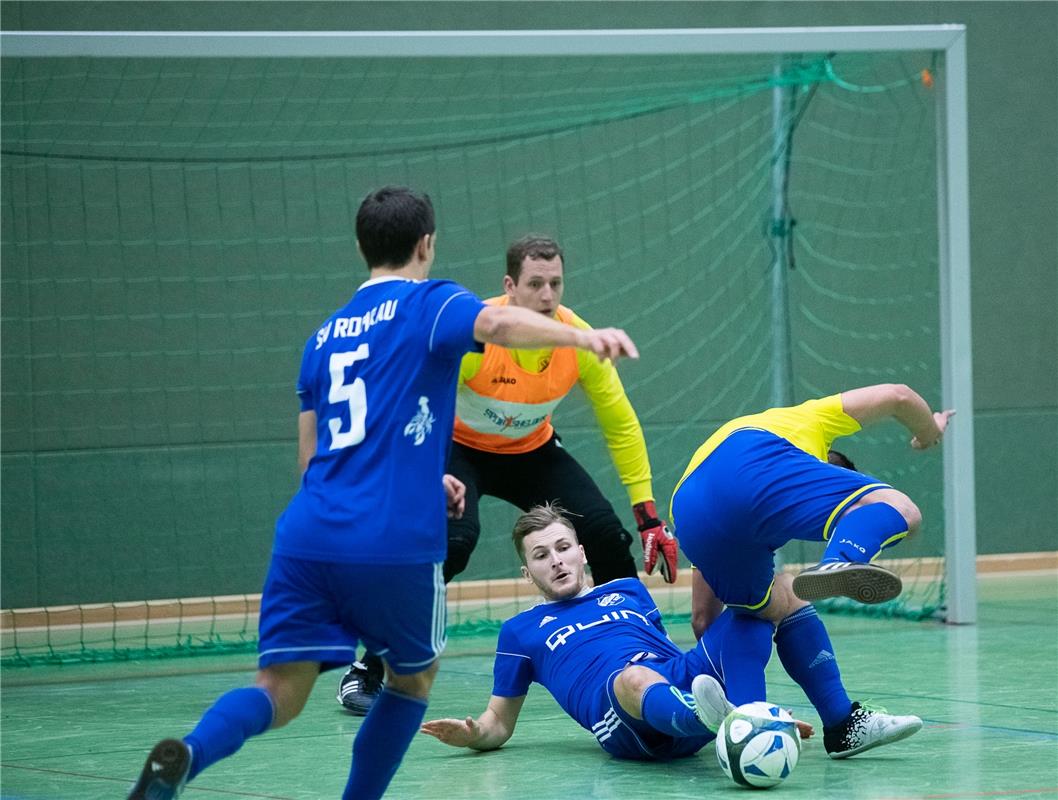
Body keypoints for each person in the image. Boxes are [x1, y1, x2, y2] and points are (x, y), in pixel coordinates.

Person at [127, 187, 638, 800]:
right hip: (392, 538)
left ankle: (191, 751)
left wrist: (424, 476)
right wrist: (583, 339)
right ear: (427, 244)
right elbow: (497, 320)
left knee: (277, 691)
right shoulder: (430, 303)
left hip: (308, 533)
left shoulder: (322, 339)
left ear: (361, 245)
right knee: (411, 683)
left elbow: (315, 460)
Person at [339, 234, 678, 714]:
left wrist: (647, 514)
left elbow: (620, 423)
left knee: (603, 535)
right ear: (509, 287)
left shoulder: (575, 340)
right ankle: (369, 667)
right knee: (451, 543)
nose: (546, 295)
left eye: (555, 283)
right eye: (534, 283)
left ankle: (646, 652)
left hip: (531, 451)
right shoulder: (475, 339)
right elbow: (414, 403)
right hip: (458, 449)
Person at [671, 384, 951, 758]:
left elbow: (704, 620)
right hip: (751, 458)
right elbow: (898, 395)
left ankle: (754, 726)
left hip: (687, 514)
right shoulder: (810, 422)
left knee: (769, 604)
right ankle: (845, 556)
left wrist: (737, 685)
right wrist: (928, 431)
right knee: (900, 509)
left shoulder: (737, 504)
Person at [420, 503, 813, 761]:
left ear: (582, 552)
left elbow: (667, 651)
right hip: (622, 715)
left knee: (763, 600)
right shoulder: (519, 632)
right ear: (527, 574)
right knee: (634, 677)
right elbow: (499, 722)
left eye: (562, 548)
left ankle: (751, 719)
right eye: (541, 556)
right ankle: (730, 725)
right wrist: (473, 735)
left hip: (670, 681)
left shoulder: (627, 590)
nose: (556, 561)